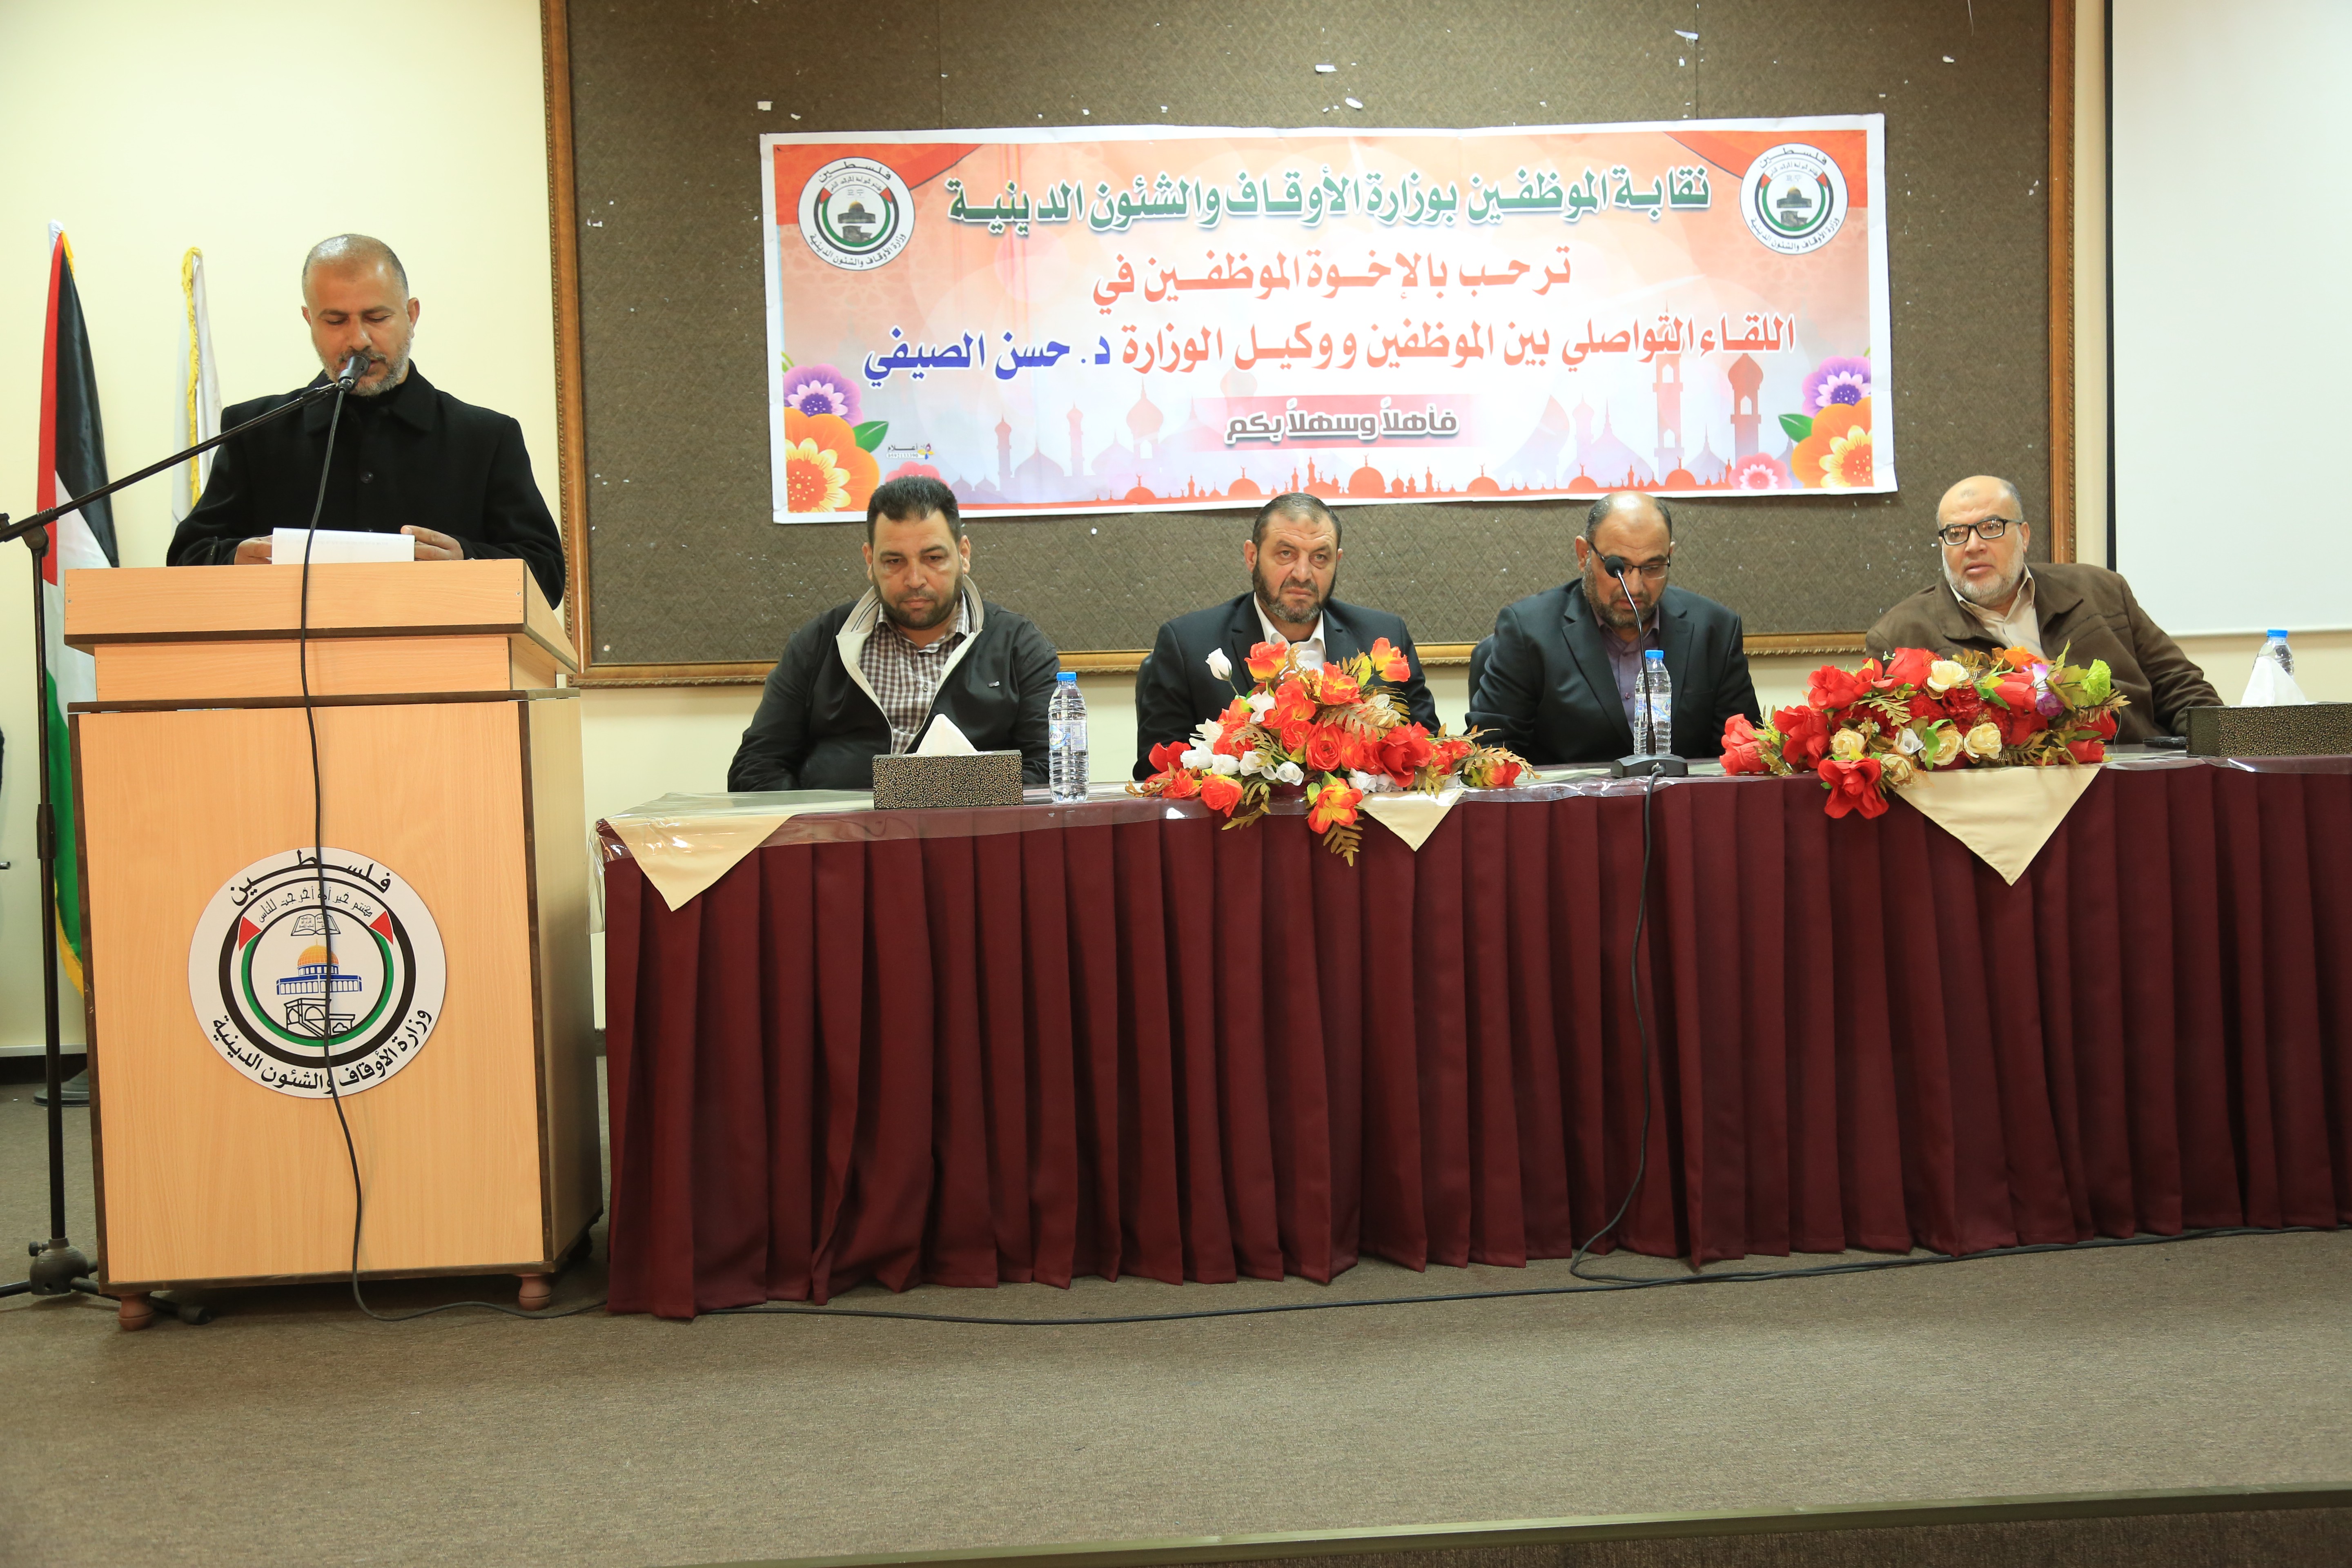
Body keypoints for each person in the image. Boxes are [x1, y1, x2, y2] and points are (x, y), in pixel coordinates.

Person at [166, 234, 566, 608]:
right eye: (335, 321)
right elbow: (188, 555)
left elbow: (546, 573)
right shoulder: (255, 431)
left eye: (376, 317)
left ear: (412, 315)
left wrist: (468, 559)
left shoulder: (485, 438)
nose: (358, 339)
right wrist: (233, 558)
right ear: (310, 321)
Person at [728, 476, 1060, 791]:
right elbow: (754, 768)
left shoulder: (1019, 646)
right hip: (840, 829)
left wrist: (908, 792)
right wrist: (818, 823)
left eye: (933, 558)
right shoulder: (821, 641)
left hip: (970, 829)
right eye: (894, 562)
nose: (915, 579)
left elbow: (1054, 768)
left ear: (964, 555)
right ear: (870, 560)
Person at [1866, 475, 2219, 741]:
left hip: (2126, 782)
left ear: (2024, 536)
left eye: (1991, 527)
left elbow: (2182, 688)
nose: (1973, 546)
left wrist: (2235, 748)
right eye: (1956, 533)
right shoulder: (1900, 635)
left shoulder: (2101, 591)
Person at [1133, 492, 1439, 778]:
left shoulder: (1382, 639)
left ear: (1337, 562)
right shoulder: (1189, 644)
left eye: (1320, 558)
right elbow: (1157, 773)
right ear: (1252, 556)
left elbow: (1429, 754)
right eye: (1286, 554)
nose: (1303, 574)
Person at [1468, 491, 1758, 764]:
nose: (1635, 587)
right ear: (1584, 554)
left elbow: (1744, 758)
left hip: (1679, 801)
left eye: (1653, 568)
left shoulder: (1715, 631)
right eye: (1617, 568)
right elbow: (1490, 758)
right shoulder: (1528, 631)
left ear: (1669, 556)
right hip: (1570, 801)